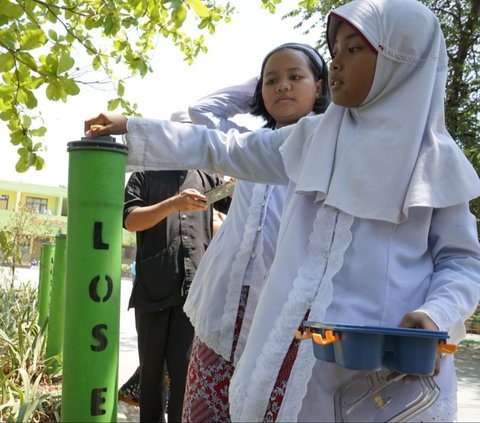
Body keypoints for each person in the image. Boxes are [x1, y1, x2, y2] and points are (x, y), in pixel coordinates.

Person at [84, 0, 480, 420]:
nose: (337, 64)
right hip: (298, 362)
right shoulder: (313, 139)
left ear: (402, 62)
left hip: (389, 373)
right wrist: (132, 124)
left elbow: (461, 261)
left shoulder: (435, 161)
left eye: (354, 50)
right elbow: (223, 147)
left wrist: (435, 314)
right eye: (334, 51)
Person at [180, 43, 330, 422]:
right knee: (207, 411)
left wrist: (286, 74)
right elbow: (201, 112)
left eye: (296, 78)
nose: (283, 86)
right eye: (272, 81)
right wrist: (264, 82)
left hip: (287, 310)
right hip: (225, 304)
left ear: (321, 87)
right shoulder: (246, 146)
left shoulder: (331, 147)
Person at [122, 111, 229, 422]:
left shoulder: (210, 176)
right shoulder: (145, 173)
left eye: (191, 134)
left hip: (195, 294)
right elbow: (130, 220)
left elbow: (238, 216)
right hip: (153, 291)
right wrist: (173, 203)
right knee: (151, 375)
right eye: (179, 133)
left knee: (187, 374)